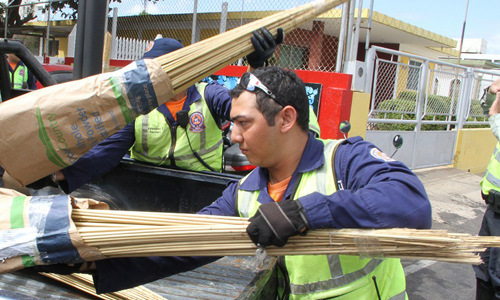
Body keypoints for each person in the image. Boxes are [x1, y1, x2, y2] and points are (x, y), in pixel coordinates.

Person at [60, 67, 431, 299]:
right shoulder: (246, 192)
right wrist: (94, 262)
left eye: (244, 123)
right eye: (232, 124)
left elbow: (410, 202)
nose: (233, 136)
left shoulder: (344, 160)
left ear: (285, 119)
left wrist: (306, 212)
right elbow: (187, 241)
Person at [50, 29, 287, 194]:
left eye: (156, 70)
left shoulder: (210, 96)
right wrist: (55, 175)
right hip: (145, 191)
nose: (148, 77)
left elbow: (248, 107)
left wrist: (256, 68)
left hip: (203, 193)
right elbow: (105, 153)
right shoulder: (137, 107)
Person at [475, 77, 500, 300]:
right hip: (494, 208)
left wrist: (495, 103)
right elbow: (488, 108)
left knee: (498, 274)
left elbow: (494, 117)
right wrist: (492, 92)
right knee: (483, 265)